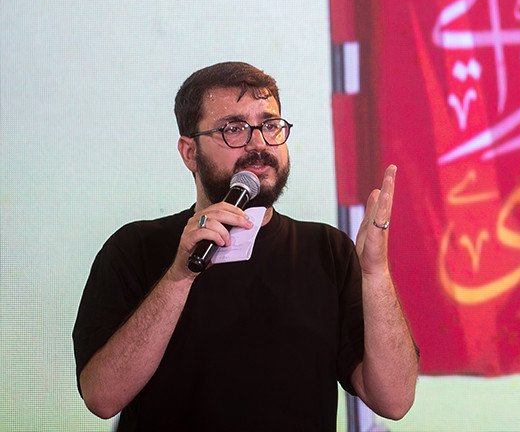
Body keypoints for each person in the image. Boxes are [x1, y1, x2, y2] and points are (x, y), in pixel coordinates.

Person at [73, 62, 418, 430]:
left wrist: (375, 273)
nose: (259, 144)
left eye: (270, 126)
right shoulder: (135, 248)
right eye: (234, 129)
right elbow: (102, 397)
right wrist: (178, 277)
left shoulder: (327, 250)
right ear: (189, 152)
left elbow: (394, 401)